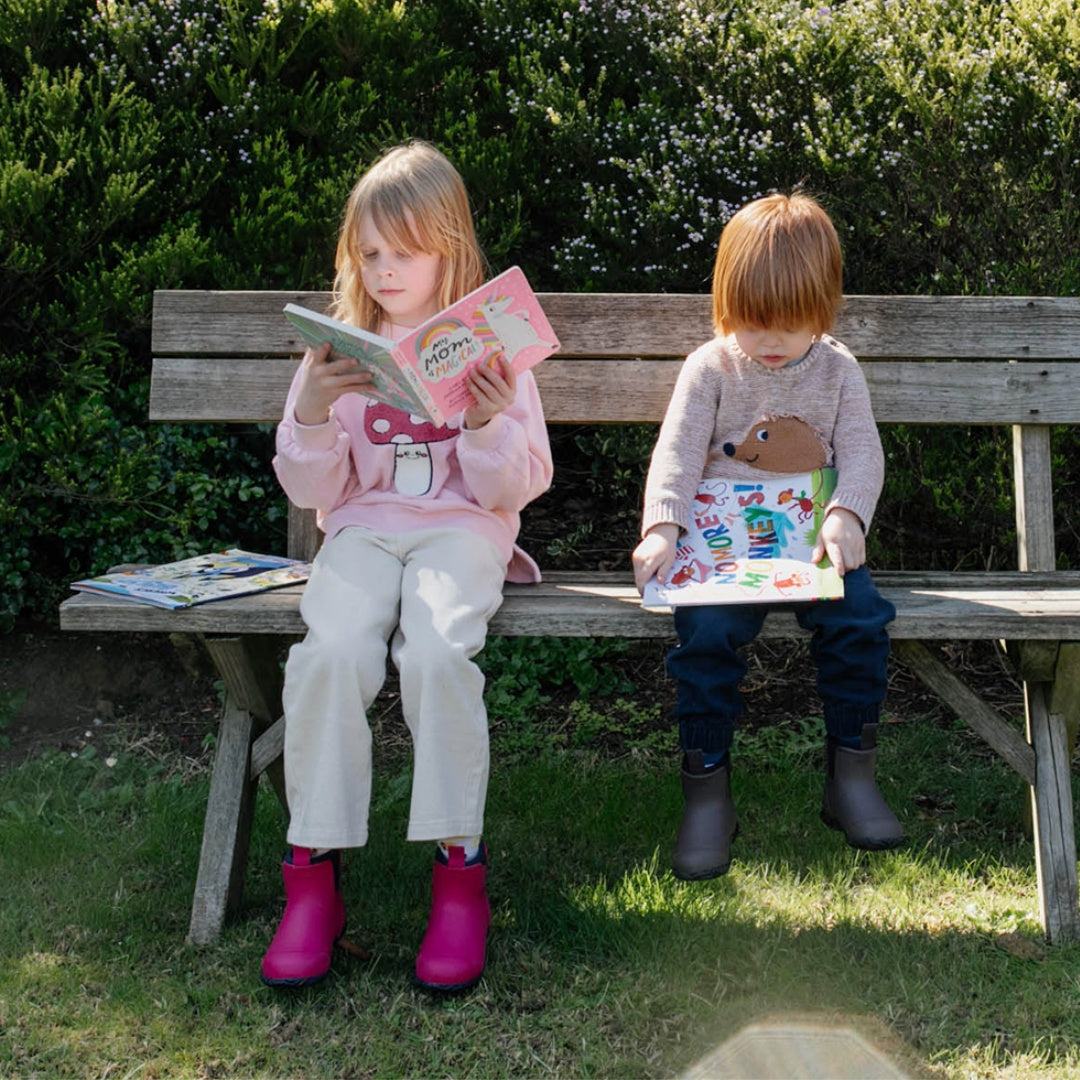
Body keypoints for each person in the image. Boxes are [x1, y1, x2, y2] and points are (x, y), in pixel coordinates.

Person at [261, 140, 553, 991]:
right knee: (331, 652)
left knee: (434, 653)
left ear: (448, 249)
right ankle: (311, 877)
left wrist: (487, 425)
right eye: (370, 253)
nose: (385, 270)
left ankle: (461, 875)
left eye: (405, 251)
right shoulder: (335, 351)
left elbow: (516, 488)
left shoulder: (491, 346)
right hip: (361, 530)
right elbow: (316, 486)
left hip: (463, 530)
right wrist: (313, 417)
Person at [631, 192, 902, 882]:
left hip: (812, 540)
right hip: (723, 547)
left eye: (790, 325)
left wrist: (847, 513)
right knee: (707, 636)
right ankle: (707, 792)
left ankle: (851, 777)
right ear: (727, 306)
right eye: (754, 325)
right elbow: (678, 453)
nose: (771, 343)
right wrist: (663, 528)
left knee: (861, 620)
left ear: (825, 307)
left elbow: (864, 454)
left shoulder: (838, 370)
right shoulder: (711, 367)